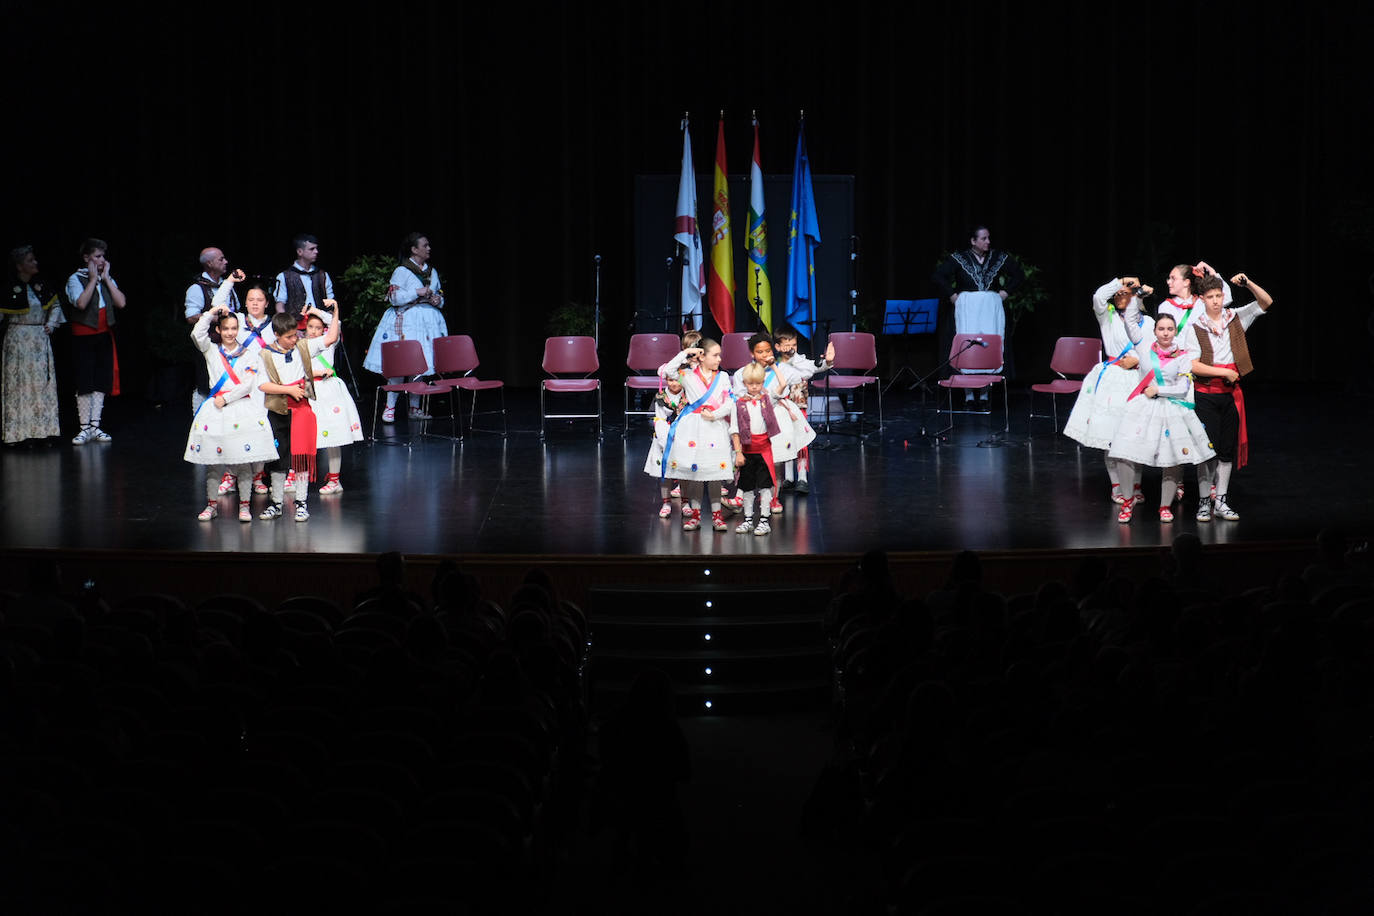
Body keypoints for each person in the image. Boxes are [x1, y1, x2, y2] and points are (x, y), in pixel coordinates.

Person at [1105, 296, 1214, 523]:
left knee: (1171, 459)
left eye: (1170, 329)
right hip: (1143, 407)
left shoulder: (1183, 356)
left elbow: (1184, 387)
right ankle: (1127, 500)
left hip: (1171, 408)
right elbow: (1131, 322)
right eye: (1161, 329)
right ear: (1154, 331)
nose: (1165, 333)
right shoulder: (1143, 348)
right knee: (1124, 452)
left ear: (1175, 331)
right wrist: (1136, 297)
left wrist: (1159, 391)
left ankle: (1165, 505)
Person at [1183, 272, 1274, 523]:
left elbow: (1266, 302)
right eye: (1210, 296)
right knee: (1207, 451)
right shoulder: (1196, 326)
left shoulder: (1236, 318)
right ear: (1201, 299)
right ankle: (1204, 502)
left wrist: (1249, 283)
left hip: (1230, 396)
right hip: (1206, 394)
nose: (1215, 301)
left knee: (1226, 451)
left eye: (1219, 295)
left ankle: (1221, 500)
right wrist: (1223, 371)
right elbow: (1194, 365)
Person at [184, 287, 277, 522]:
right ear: (219, 330)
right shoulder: (212, 352)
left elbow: (247, 384)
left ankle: (244, 506)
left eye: (234, 328)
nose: (230, 332)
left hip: (237, 406)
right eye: (225, 328)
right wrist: (211, 312)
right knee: (215, 463)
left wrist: (226, 398)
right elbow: (196, 335)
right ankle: (212, 505)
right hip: (216, 410)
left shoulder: (248, 354)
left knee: (242, 460)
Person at [1062, 277, 1155, 506]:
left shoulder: (1149, 322)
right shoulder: (1108, 317)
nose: (1121, 295)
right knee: (1111, 436)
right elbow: (1097, 296)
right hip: (1113, 378)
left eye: (1127, 292)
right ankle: (1117, 486)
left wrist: (1136, 361)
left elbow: (1153, 351)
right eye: (1119, 293)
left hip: (1137, 377)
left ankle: (1135, 485)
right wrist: (1121, 281)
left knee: (1135, 435)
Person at [257, 300, 341, 521]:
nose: (295, 339)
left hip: (301, 410)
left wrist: (335, 311)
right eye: (289, 337)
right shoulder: (265, 355)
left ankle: (301, 502)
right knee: (278, 458)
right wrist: (288, 390)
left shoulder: (302, 346)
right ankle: (276, 503)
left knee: (301, 458)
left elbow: (331, 337)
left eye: (296, 334)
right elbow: (263, 385)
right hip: (278, 410)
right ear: (276, 334)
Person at [364, 233, 449, 423]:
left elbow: (438, 294)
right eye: (425, 245)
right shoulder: (402, 271)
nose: (429, 249)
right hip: (407, 322)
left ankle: (414, 407)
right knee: (401, 365)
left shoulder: (431, 271)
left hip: (427, 324)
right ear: (414, 249)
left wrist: (437, 300)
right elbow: (394, 298)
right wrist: (416, 292)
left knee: (420, 366)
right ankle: (390, 407)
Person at [729, 331, 816, 514]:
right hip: (752, 418)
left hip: (776, 416)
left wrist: (792, 355)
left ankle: (774, 498)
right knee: (749, 459)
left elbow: (807, 373)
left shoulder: (782, 369)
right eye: (760, 352)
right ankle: (741, 495)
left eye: (768, 351)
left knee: (774, 461)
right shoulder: (742, 373)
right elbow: (737, 398)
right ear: (752, 353)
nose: (764, 355)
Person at [932, 226, 1024, 392]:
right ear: (973, 241)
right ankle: (968, 394)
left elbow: (1019, 274)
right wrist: (952, 294)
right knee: (968, 347)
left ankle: (984, 394)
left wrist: (1005, 292)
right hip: (968, 309)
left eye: (988, 238)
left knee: (988, 346)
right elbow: (938, 275)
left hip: (990, 309)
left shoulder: (997, 257)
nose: (988, 242)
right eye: (983, 239)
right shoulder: (959, 258)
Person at [657, 339, 735, 532]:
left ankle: (717, 516)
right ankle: (696, 516)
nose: (719, 358)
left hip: (715, 427)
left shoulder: (723, 376)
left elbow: (729, 401)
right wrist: (687, 352)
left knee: (715, 474)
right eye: (715, 355)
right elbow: (669, 371)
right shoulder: (687, 376)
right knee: (695, 475)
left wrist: (715, 414)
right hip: (693, 428)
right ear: (703, 357)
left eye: (719, 355)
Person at [63, 238, 127, 444]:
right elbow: (81, 303)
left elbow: (121, 303)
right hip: (83, 337)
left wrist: (105, 279)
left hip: (103, 335)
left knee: (101, 381)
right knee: (85, 382)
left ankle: (95, 426)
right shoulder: (76, 278)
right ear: (86, 258)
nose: (102, 260)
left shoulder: (106, 279)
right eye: (97, 256)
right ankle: (83, 428)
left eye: (103, 256)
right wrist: (92, 280)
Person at [2, 246, 64, 444]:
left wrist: (51, 324)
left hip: (38, 339)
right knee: (19, 384)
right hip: (18, 339)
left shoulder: (41, 286)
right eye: (30, 260)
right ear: (20, 266)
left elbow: (55, 306)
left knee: (40, 385)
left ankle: (42, 431)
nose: (35, 262)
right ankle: (17, 434)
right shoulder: (8, 287)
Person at [304, 309, 364, 494]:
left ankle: (334, 479)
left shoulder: (328, 344)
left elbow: (335, 324)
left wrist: (315, 311)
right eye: (310, 327)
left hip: (329, 391)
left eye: (318, 328)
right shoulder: (300, 345)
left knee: (333, 438)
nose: (314, 331)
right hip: (308, 391)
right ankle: (296, 476)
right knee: (303, 437)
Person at [772, 325, 834, 495]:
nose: (791, 348)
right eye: (786, 345)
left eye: (794, 344)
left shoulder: (800, 361)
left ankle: (802, 477)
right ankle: (788, 477)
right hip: (780, 407)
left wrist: (828, 361)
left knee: (801, 440)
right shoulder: (773, 364)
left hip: (799, 406)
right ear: (777, 346)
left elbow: (815, 366)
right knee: (785, 438)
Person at [729, 361, 788, 536]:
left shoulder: (767, 399)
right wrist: (738, 452)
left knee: (764, 486)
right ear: (744, 383)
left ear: (763, 382)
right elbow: (734, 429)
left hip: (764, 450)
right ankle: (748, 519)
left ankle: (764, 520)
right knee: (747, 487)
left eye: (758, 383)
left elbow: (783, 385)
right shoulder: (738, 403)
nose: (754, 387)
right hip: (746, 451)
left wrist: (774, 366)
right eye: (750, 383)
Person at [184, 247, 240, 415]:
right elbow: (191, 316)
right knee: (203, 382)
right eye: (221, 259)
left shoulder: (226, 285)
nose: (226, 262)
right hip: (209, 344)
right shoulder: (197, 288)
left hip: (229, 343)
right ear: (209, 263)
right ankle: (199, 418)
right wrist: (218, 317)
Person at [643, 374, 687, 518]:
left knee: (684, 473)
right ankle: (666, 503)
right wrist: (664, 437)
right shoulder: (660, 397)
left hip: (683, 439)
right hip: (663, 438)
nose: (674, 384)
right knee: (664, 473)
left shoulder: (688, 395)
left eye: (677, 380)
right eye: (670, 380)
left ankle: (685, 502)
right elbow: (654, 418)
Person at [273, 233, 334, 327]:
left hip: (321, 327)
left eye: (316, 248)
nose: (316, 252)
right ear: (300, 252)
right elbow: (280, 305)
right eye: (311, 249)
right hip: (295, 329)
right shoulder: (284, 276)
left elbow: (331, 304)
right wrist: (289, 328)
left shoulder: (323, 275)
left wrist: (328, 325)